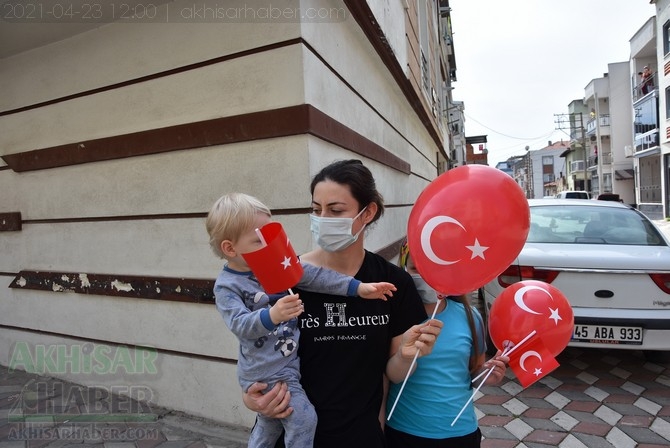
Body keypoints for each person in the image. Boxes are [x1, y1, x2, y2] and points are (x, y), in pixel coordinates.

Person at [242, 159, 443, 447]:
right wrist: (250, 399)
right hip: (291, 436)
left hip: (359, 436)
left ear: (368, 212)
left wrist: (408, 356)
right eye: (316, 210)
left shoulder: (392, 282)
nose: (322, 218)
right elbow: (253, 353)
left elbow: (393, 373)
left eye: (335, 210)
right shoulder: (286, 277)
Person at [206, 192, 397, 448]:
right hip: (268, 371)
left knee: (271, 422)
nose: (270, 245)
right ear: (230, 248)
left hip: (286, 366)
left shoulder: (272, 262)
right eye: (259, 240)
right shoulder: (227, 286)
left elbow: (316, 276)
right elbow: (240, 325)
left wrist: (357, 288)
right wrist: (273, 315)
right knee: (304, 420)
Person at [385, 242, 509, 448]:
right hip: (403, 430)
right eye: (416, 268)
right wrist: (404, 356)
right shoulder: (393, 315)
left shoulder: (470, 317)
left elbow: (473, 375)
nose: (426, 277)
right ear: (404, 269)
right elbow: (391, 374)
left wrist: (488, 375)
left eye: (434, 269)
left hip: (459, 431)